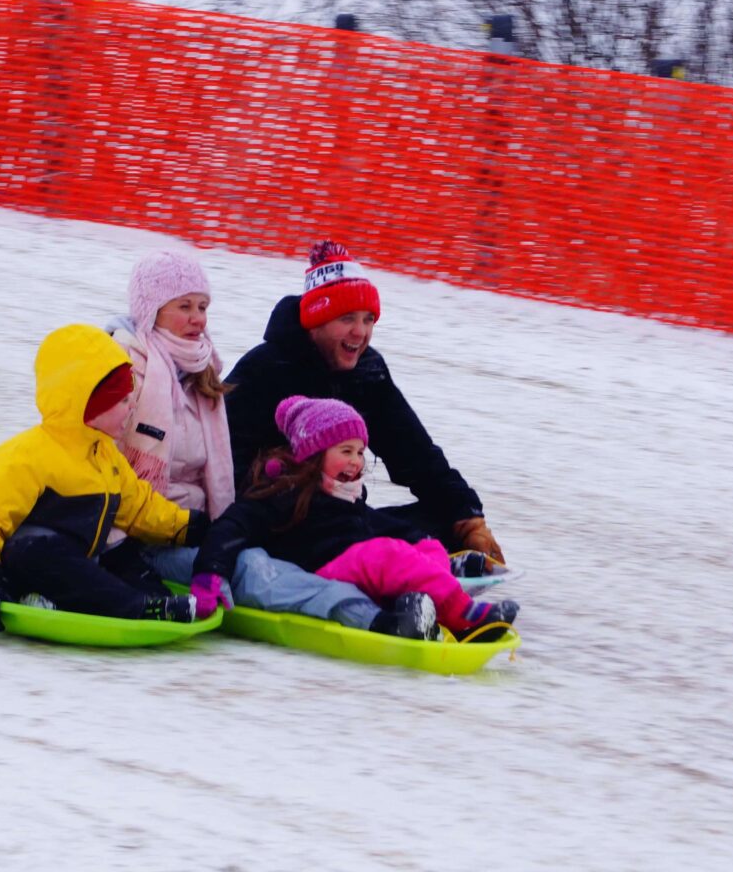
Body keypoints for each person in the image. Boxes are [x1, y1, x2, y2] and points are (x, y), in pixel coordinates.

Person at [104, 250, 405, 636]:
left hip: (202, 527)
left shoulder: (201, 372)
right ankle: (374, 619)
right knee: (255, 570)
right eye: (185, 307)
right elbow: (100, 466)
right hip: (141, 539)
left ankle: (405, 587)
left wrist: (227, 531)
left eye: (203, 306)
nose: (199, 318)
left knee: (286, 547)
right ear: (152, 310)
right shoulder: (123, 373)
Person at [226, 240, 506, 564]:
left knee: (442, 522)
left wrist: (467, 517)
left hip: (344, 516)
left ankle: (424, 563)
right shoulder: (266, 368)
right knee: (379, 539)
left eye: (368, 319)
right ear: (316, 320)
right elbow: (223, 459)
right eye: (347, 318)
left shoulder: (367, 370)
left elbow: (414, 452)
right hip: (272, 518)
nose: (360, 332)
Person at [190, 397, 519, 643]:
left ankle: (417, 608)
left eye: (360, 452)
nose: (355, 461)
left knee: (423, 547)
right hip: (319, 568)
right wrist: (210, 572)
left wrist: (424, 542)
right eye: (345, 451)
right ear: (314, 453)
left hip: (352, 562)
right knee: (389, 555)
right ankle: (464, 618)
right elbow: (233, 525)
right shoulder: (285, 492)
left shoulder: (346, 494)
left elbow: (372, 522)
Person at [0, 323, 206, 630]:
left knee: (122, 552)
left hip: (81, 563)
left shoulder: (105, 455)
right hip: (26, 563)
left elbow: (138, 507)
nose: (131, 408)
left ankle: (152, 600)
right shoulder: (28, 454)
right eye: (122, 401)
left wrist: (188, 526)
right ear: (88, 402)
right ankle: (136, 608)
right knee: (43, 552)